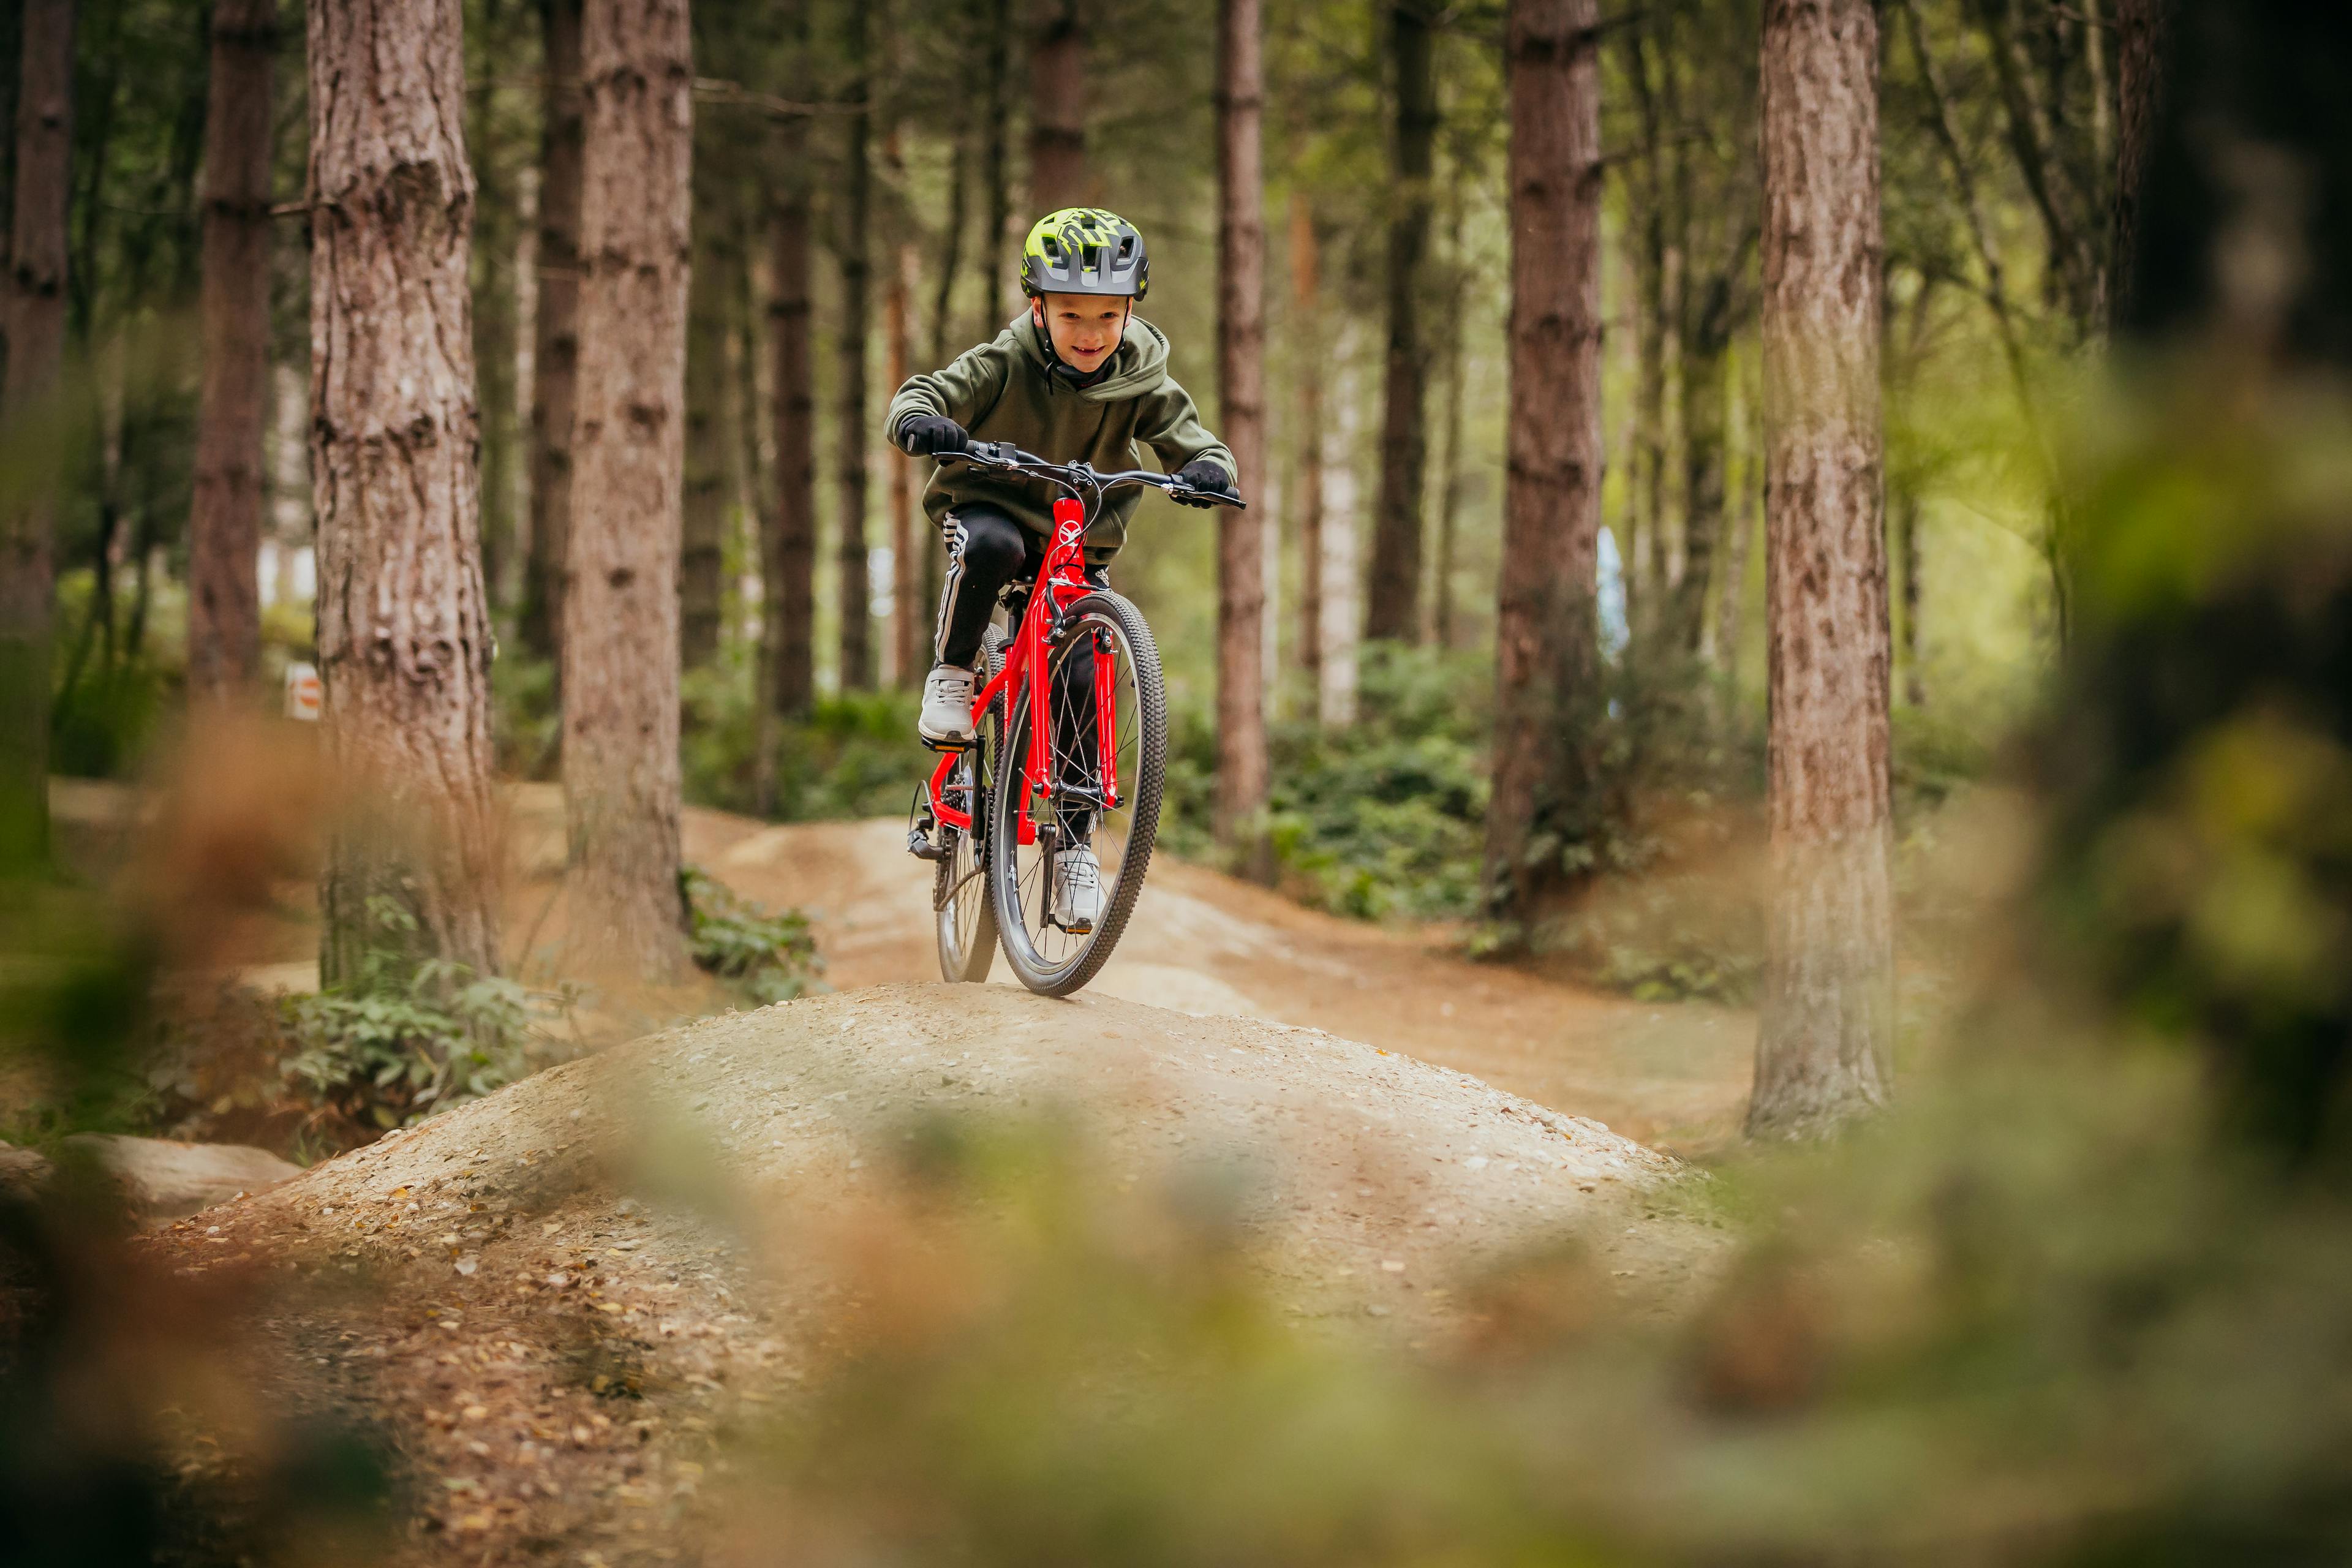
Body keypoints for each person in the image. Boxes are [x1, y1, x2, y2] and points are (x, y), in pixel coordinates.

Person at [886, 208, 1237, 933]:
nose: (1089, 333)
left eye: (1107, 316)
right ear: (1036, 308)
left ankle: (1076, 849)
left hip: (1077, 540)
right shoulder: (1004, 361)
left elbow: (1188, 435)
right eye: (1071, 313)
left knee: (1082, 672)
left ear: (1131, 310)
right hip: (992, 509)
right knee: (993, 550)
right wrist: (925, 422)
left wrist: (1206, 468)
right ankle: (953, 673)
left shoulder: (1141, 375)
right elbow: (922, 395)